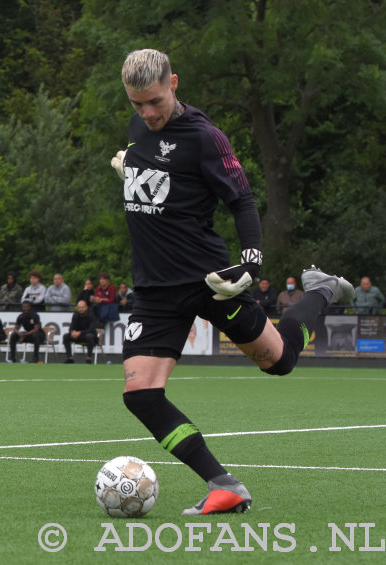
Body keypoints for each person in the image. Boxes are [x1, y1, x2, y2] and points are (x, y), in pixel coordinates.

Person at [111, 49, 353, 515]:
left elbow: (242, 201)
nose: (147, 114)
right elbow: (162, 187)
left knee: (278, 362)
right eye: (137, 105)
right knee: (141, 394)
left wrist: (250, 266)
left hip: (209, 281)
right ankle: (224, 484)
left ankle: (320, 289)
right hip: (155, 290)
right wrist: (133, 173)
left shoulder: (205, 137)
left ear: (174, 83)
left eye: (155, 102)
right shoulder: (139, 129)